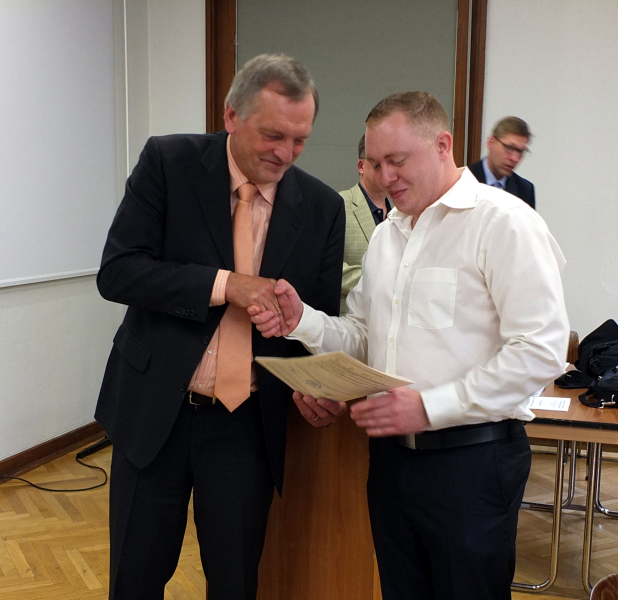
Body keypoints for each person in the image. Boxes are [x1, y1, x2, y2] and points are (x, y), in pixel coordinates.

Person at [250, 92, 569, 600]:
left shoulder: (503, 221)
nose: (385, 177)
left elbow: (540, 351)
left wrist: (430, 406)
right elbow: (364, 337)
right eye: (376, 164)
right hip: (390, 463)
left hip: (473, 462)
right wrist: (302, 321)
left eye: (397, 160)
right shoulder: (387, 237)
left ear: (442, 145)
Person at [94, 54, 345, 600]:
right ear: (231, 115)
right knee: (134, 581)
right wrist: (226, 284)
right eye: (273, 135)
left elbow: (317, 323)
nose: (285, 153)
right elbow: (118, 272)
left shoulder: (322, 208)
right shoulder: (169, 163)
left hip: (245, 426)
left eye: (300, 140)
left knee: (234, 584)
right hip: (154, 412)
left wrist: (316, 387)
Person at [340, 133, 392, 314]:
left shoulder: (404, 214)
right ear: (361, 166)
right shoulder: (339, 205)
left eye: (393, 163)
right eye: (378, 165)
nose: (387, 172)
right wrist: (384, 281)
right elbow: (327, 268)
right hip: (349, 320)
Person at [468, 116, 536, 209]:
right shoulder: (464, 180)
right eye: (509, 148)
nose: (515, 158)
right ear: (491, 142)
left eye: (520, 151)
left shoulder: (525, 190)